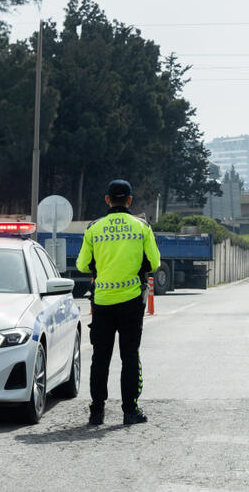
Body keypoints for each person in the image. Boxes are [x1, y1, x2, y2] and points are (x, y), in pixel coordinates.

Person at [76, 179, 160, 425]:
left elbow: (82, 265)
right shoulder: (142, 227)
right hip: (131, 302)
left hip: (102, 302)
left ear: (107, 200)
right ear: (130, 201)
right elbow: (153, 263)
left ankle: (97, 411)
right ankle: (130, 411)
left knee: (100, 357)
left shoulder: (94, 229)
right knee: (129, 357)